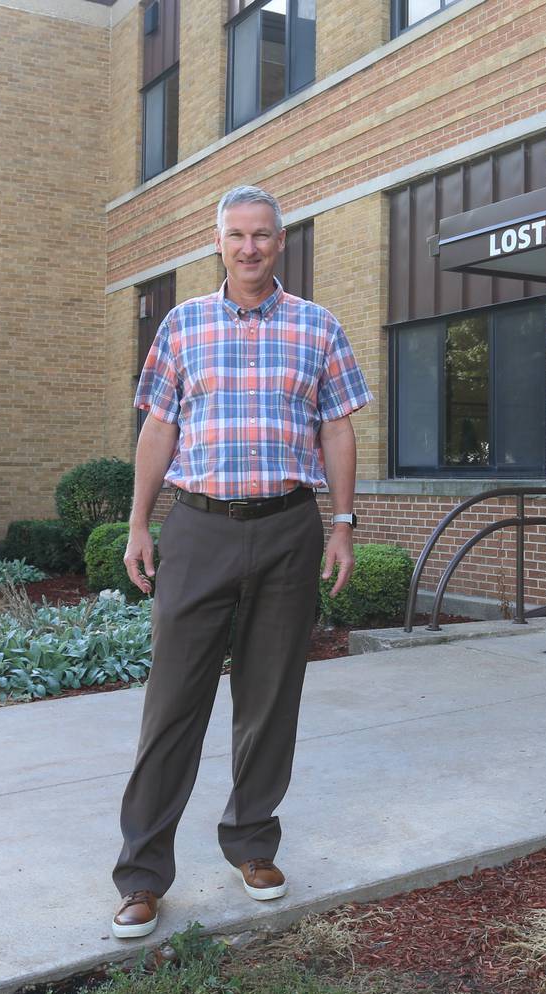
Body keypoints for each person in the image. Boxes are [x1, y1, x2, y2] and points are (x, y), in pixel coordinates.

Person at [110, 185, 372, 939]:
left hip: (288, 526)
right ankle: (142, 875)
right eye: (236, 235)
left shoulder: (318, 327)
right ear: (217, 242)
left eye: (262, 235)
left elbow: (339, 433)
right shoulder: (183, 324)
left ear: (281, 242)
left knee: (270, 697)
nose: (249, 247)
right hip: (198, 529)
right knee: (172, 706)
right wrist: (138, 523)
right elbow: (159, 428)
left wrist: (342, 526)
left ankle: (253, 844)